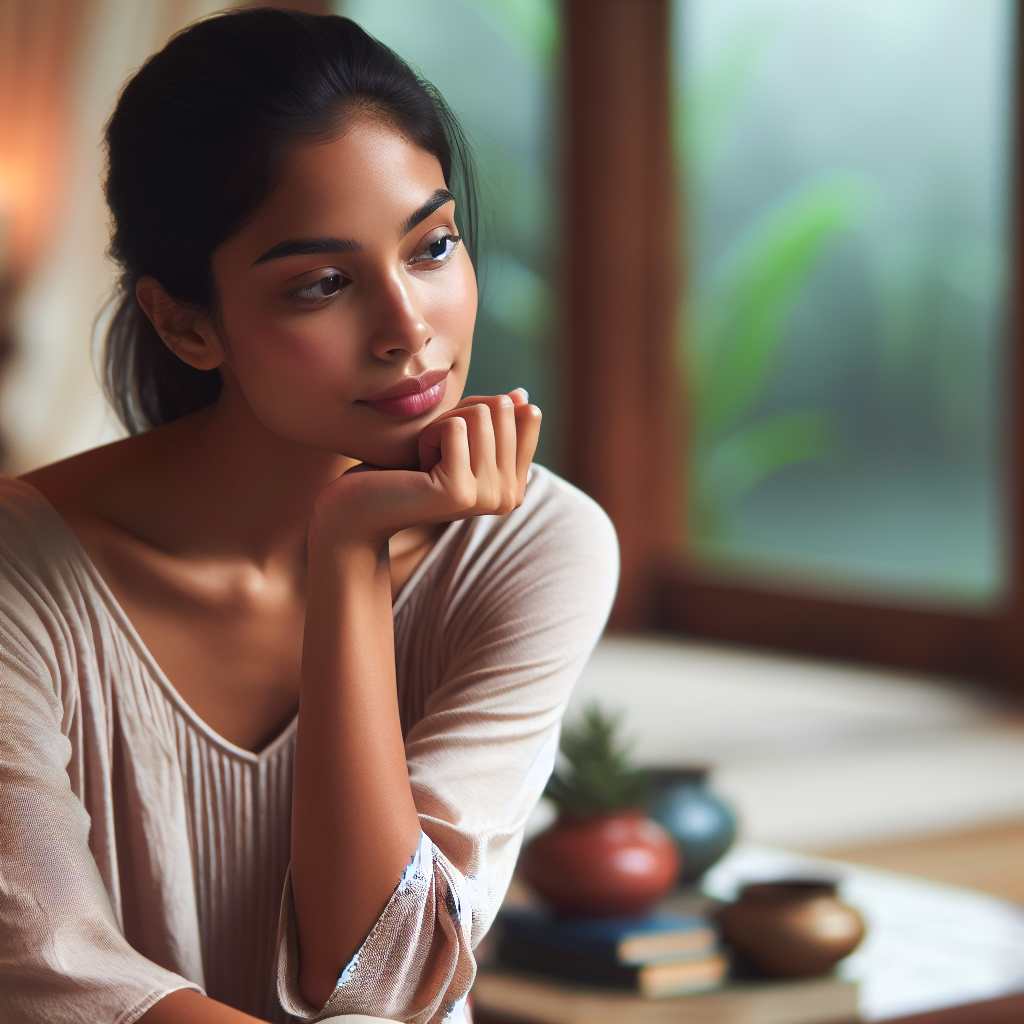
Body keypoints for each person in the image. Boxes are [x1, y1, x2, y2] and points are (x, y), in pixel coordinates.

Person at [0, 8, 618, 1024]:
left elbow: (383, 977)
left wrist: (346, 554)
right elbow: (48, 974)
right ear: (187, 322)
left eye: (431, 247)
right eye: (322, 283)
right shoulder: (21, 579)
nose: (408, 329)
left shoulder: (538, 546)